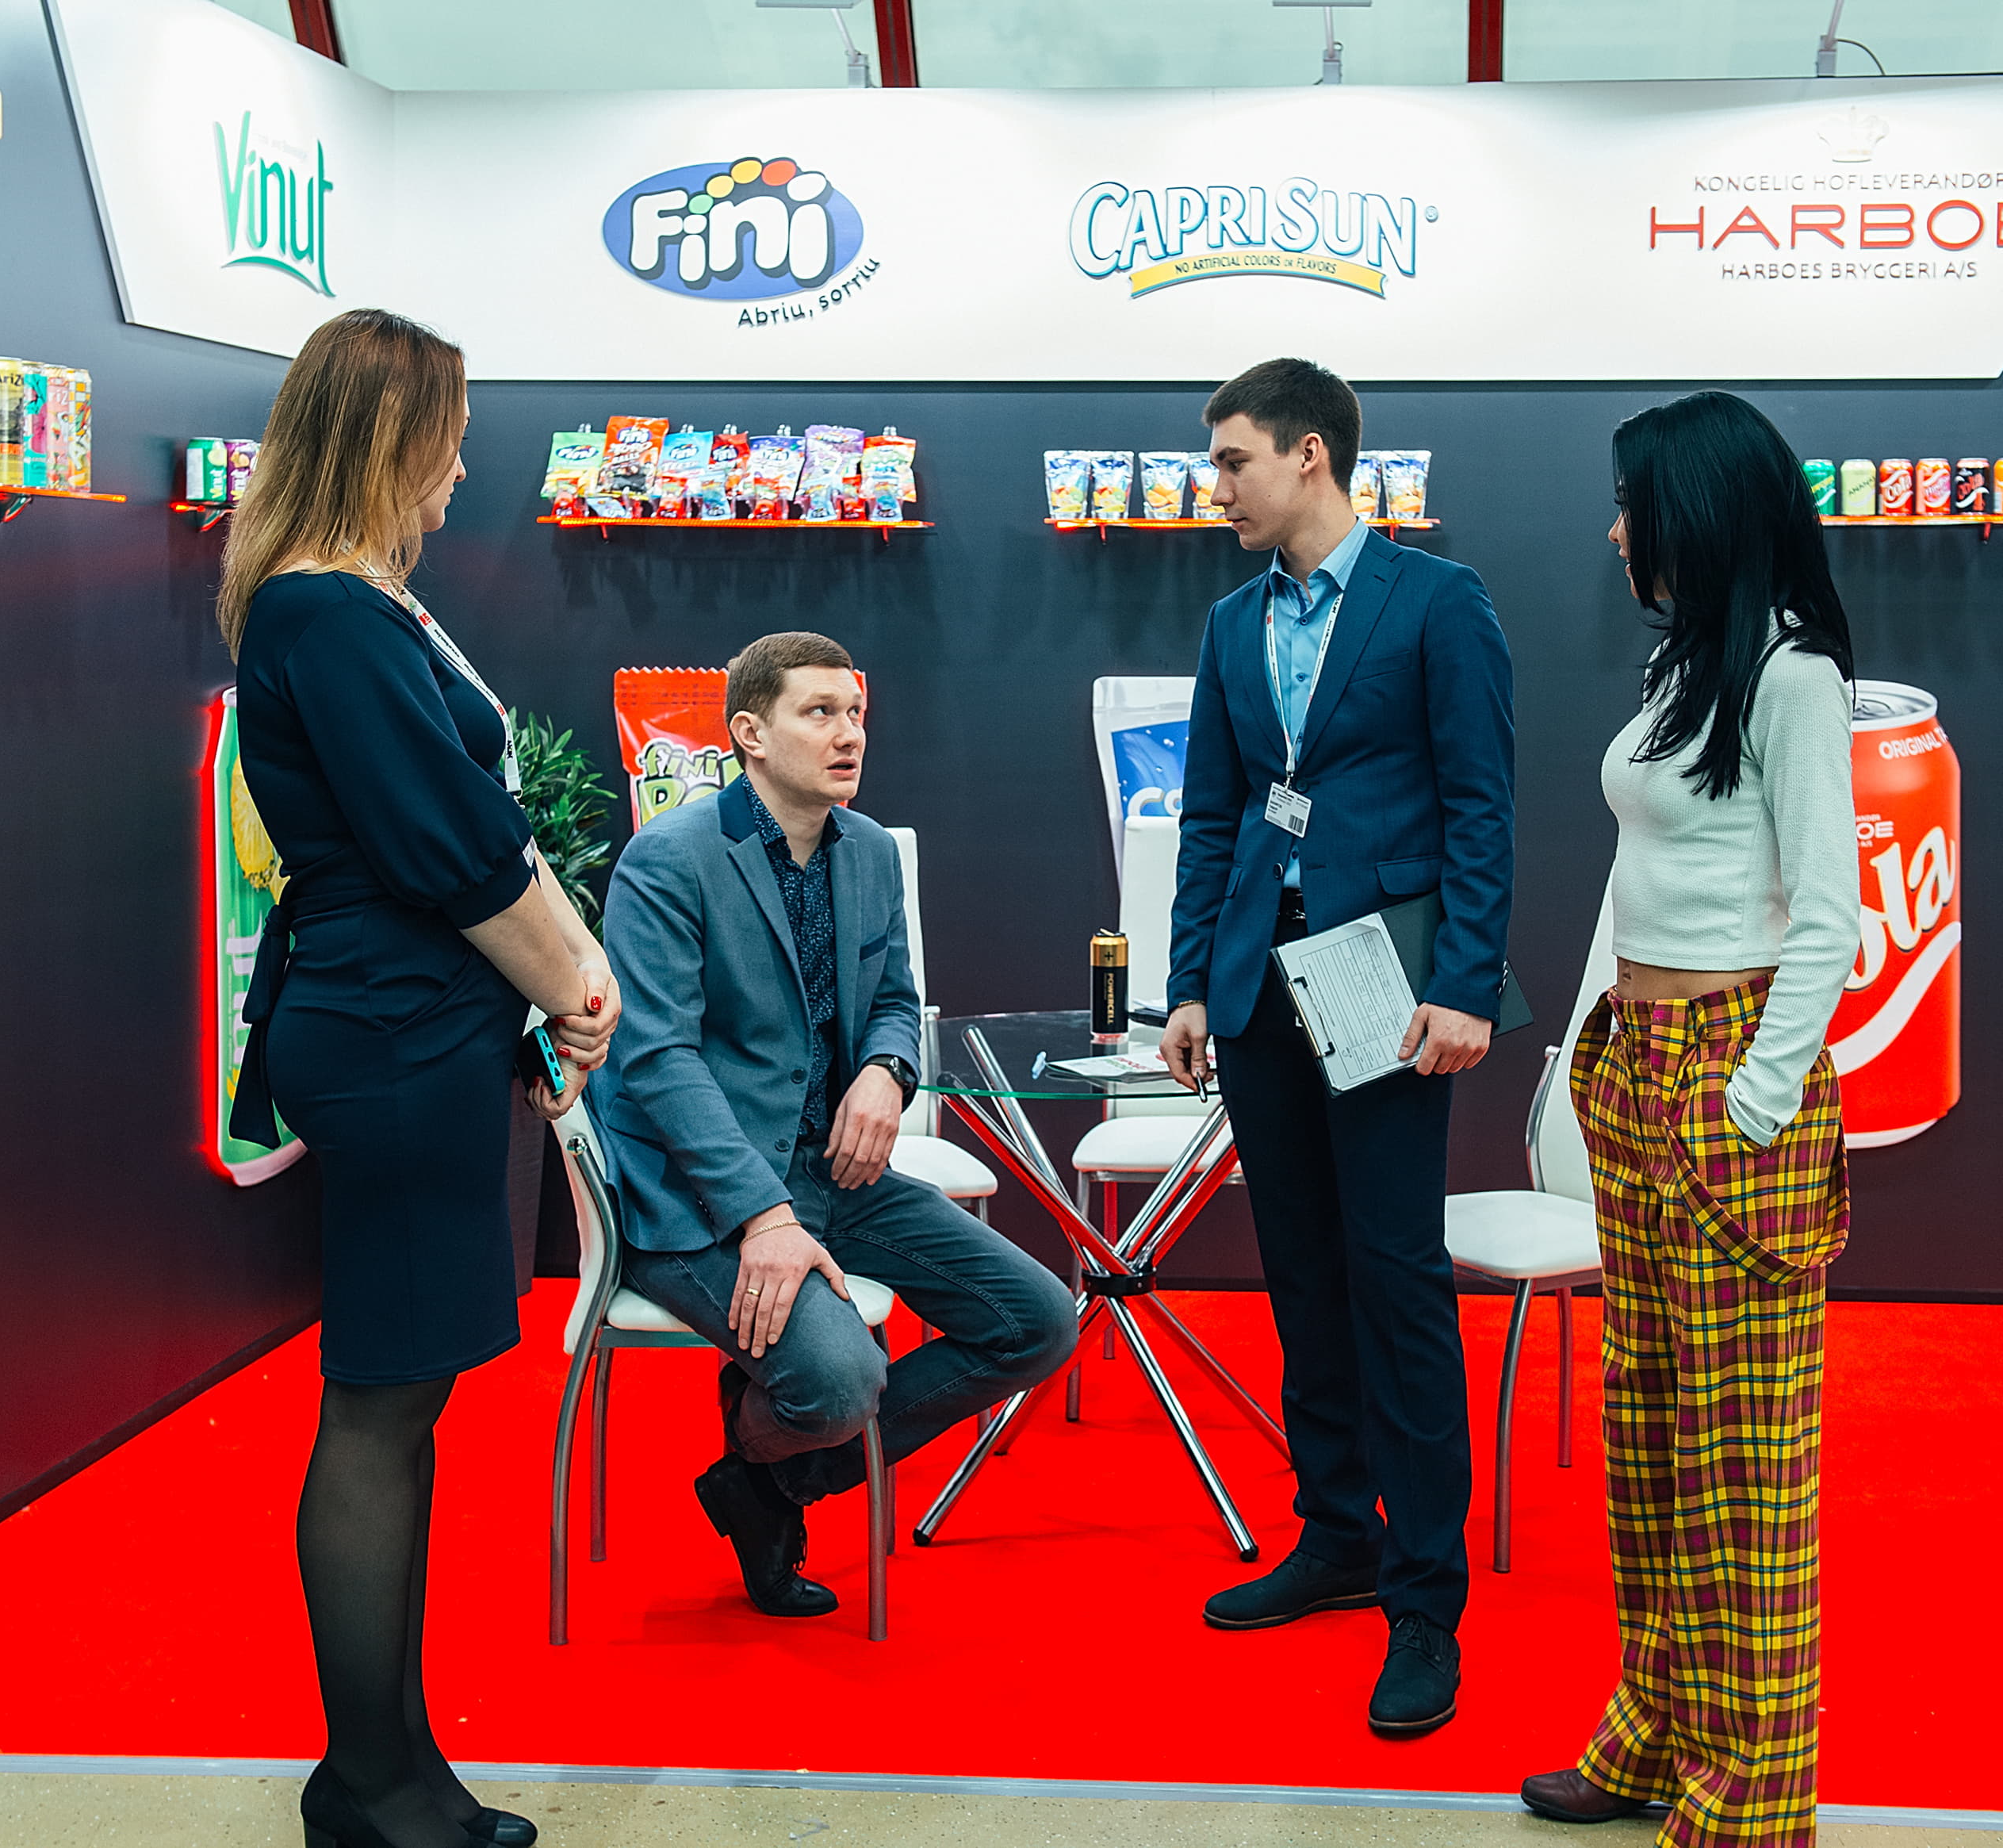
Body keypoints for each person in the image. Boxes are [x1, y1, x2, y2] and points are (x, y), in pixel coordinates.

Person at [222, 308, 618, 1848]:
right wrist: (572, 991)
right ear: (384, 440)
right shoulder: (325, 613)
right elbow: (451, 850)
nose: (461, 469)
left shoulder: (353, 605)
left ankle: (390, 1766)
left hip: (415, 1027)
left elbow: (479, 828)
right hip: (389, 1035)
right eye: (445, 439)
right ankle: (374, 1784)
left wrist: (559, 987)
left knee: (404, 1394)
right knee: (382, 1402)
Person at [1518, 391, 1859, 1847]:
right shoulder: (1688, 668)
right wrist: (1601, 1067)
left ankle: (1755, 1796)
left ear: (1698, 513)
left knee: (1745, 1472)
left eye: (1632, 506)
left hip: (1726, 1075)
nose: (1614, 534)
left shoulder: (1792, 676)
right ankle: (1657, 1733)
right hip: (1642, 1064)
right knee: (1652, 1438)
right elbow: (1645, 882)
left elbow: (1832, 920)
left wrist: (1752, 1103)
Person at [1161, 358, 1516, 1739]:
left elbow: (1482, 806)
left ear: (1309, 454)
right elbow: (1212, 815)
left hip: (1390, 990)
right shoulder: (1230, 621)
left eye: (1233, 460)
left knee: (1396, 1280)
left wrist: (1467, 984)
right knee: (1303, 1273)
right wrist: (1191, 983)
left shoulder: (1439, 601)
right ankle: (1338, 1534)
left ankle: (1426, 1596)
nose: (1217, 487)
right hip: (1260, 990)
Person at [591, 631, 1078, 1618]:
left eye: (854, 711)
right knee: (841, 1380)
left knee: (1038, 1320)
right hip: (701, 1194)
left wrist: (887, 1074)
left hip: (835, 1174)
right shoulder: (668, 858)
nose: (849, 732)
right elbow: (656, 1060)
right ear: (749, 732)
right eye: (819, 712)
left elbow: (894, 999)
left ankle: (765, 1475)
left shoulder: (868, 852)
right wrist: (763, 1216)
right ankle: (790, 1443)